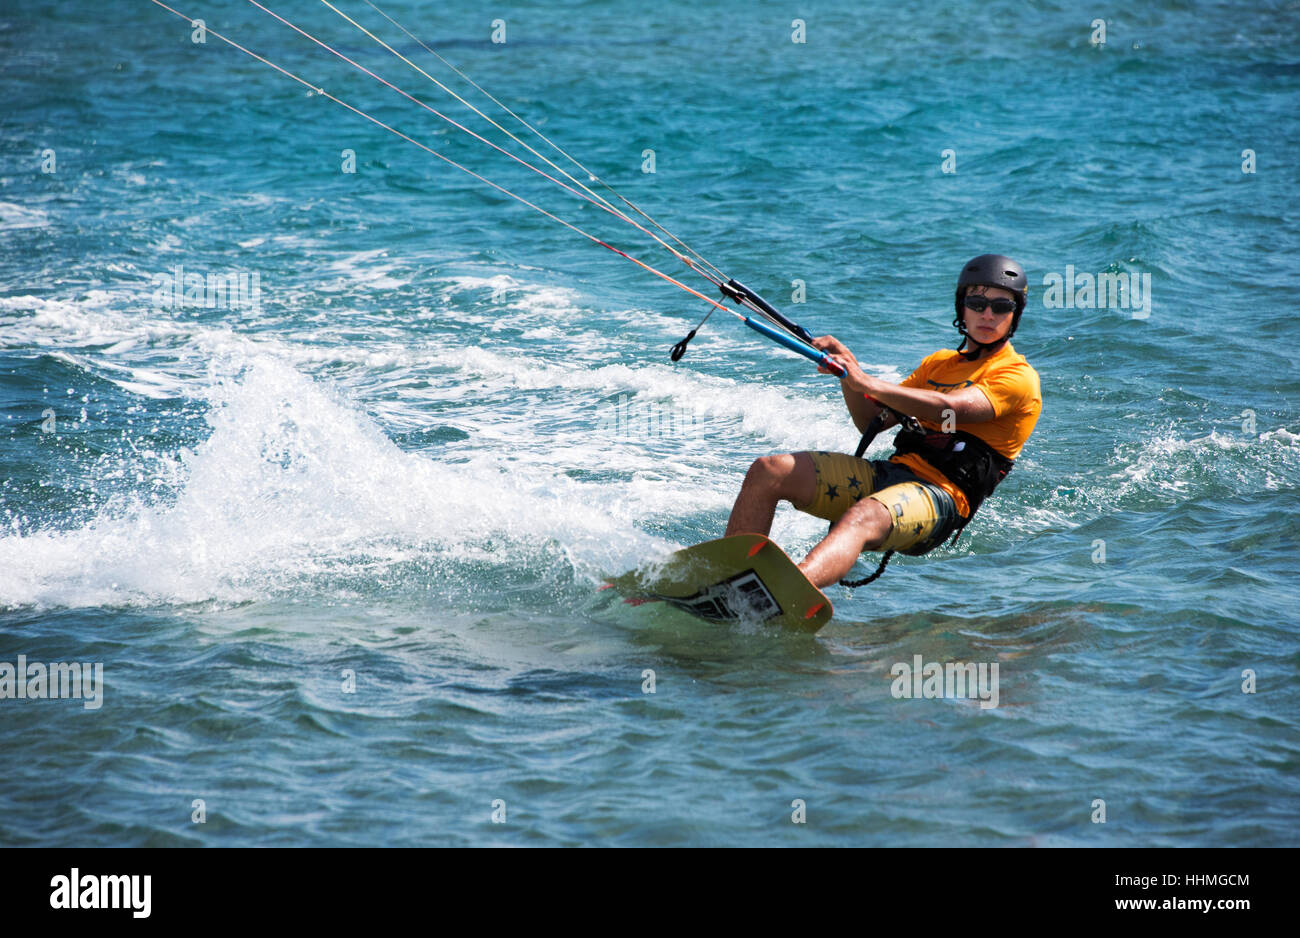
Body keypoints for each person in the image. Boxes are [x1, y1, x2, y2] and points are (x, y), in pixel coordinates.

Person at [724, 254, 1042, 588]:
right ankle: (729, 576)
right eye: (977, 303)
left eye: (1001, 306)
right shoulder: (938, 365)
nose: (988, 314)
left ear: (1015, 314)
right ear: (961, 307)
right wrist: (848, 371)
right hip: (892, 475)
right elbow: (872, 420)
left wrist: (868, 382)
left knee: (861, 516)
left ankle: (782, 592)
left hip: (941, 497)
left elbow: (950, 409)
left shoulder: (1018, 376)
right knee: (768, 471)